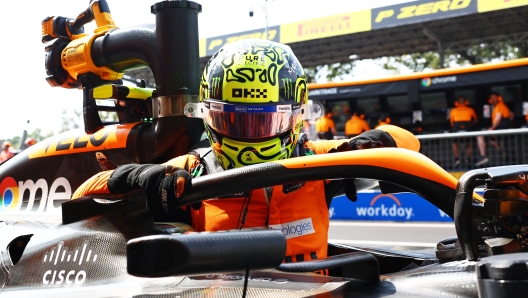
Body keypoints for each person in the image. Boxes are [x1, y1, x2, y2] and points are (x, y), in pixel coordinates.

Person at [72, 40, 420, 264]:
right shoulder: (193, 169)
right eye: (236, 122)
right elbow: (81, 195)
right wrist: (131, 177)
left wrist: (371, 143)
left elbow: (408, 147)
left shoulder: (320, 158)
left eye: (264, 124)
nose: (252, 138)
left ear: (297, 117)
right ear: (209, 116)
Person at [476, 92, 512, 166]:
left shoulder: (499, 106)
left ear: (498, 98)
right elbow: (511, 115)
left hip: (500, 129)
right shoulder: (499, 106)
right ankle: (503, 151)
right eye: (491, 98)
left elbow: (498, 118)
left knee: (480, 136)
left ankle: (483, 157)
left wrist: (492, 128)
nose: (493, 99)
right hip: (500, 129)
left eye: (494, 98)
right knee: (491, 141)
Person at [449, 95, 477, 167]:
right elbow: (475, 120)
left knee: (455, 143)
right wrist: (470, 125)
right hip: (468, 128)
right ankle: (467, 158)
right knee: (470, 142)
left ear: (456, 103)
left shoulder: (453, 111)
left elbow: (452, 123)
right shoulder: (470, 109)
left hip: (456, 128)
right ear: (466, 102)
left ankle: (457, 159)